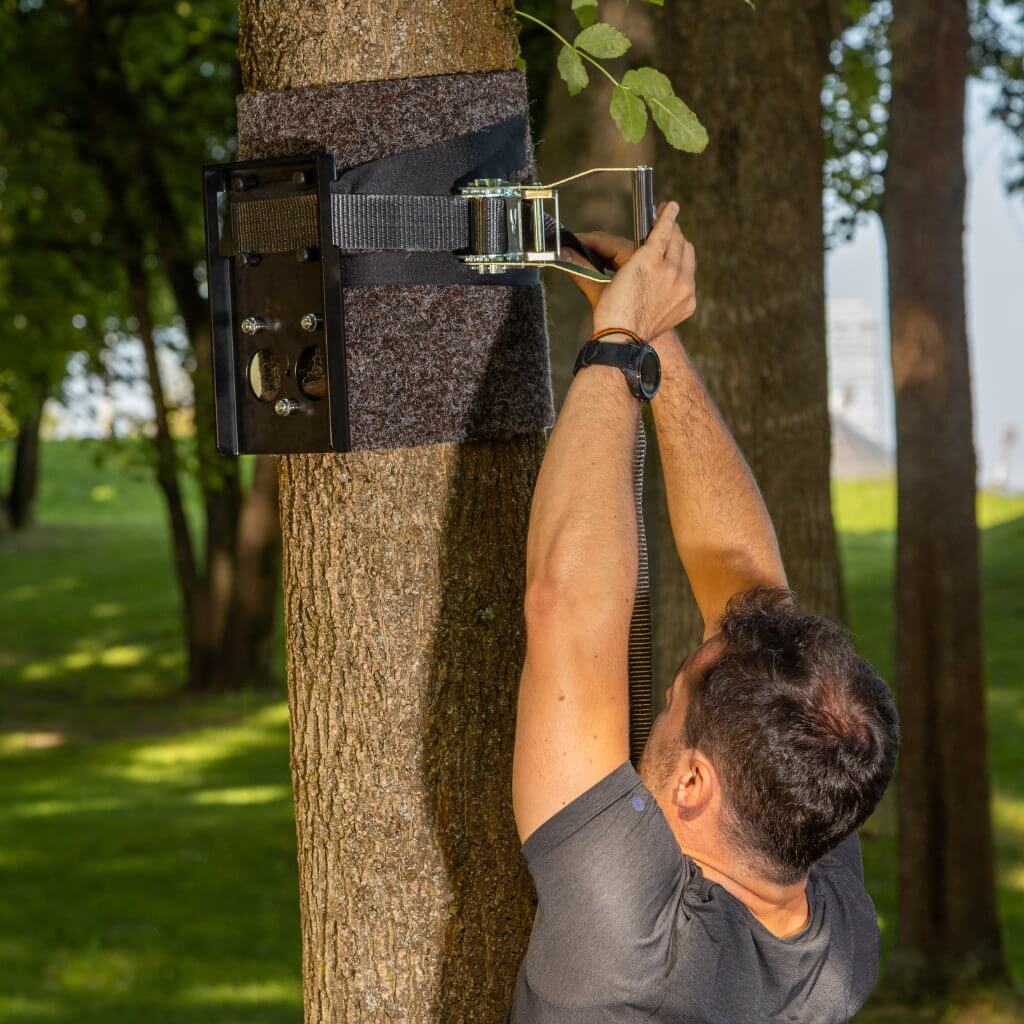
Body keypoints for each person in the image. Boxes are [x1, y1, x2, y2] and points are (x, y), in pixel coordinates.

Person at [506, 202, 900, 1023]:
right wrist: (655, 341)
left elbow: (568, 608)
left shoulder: (631, 945)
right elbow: (753, 594)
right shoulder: (832, 938)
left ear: (691, 783)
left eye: (677, 697)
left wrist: (618, 344)